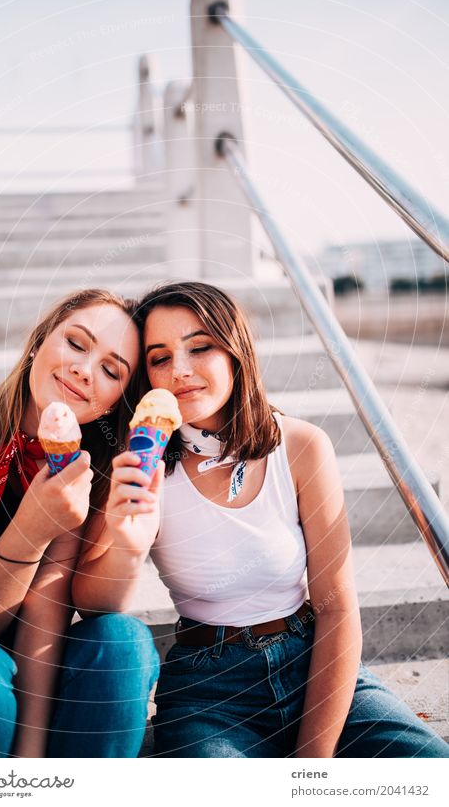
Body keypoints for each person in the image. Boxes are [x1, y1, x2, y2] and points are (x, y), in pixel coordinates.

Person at [73, 280, 449, 758]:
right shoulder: (138, 464)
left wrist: (312, 765)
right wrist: (125, 536)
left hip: (314, 659)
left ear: (235, 352)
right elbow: (92, 603)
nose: (181, 371)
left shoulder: (301, 446)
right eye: (159, 357)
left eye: (200, 347)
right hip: (209, 688)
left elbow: (336, 607)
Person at [0, 288, 159, 758]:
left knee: (124, 643)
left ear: (111, 404)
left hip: (30, 675)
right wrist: (31, 530)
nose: (84, 370)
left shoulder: (80, 474)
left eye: (110, 371)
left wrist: (30, 765)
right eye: (76, 344)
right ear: (38, 342)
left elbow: (45, 619)